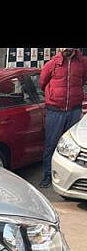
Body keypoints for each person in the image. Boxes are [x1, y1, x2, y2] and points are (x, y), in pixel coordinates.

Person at [39, 48, 87, 188]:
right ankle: (48, 175)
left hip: (74, 109)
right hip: (55, 110)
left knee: (74, 146)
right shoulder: (52, 64)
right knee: (51, 144)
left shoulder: (83, 63)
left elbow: (83, 80)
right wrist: (54, 96)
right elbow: (42, 83)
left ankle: (70, 180)